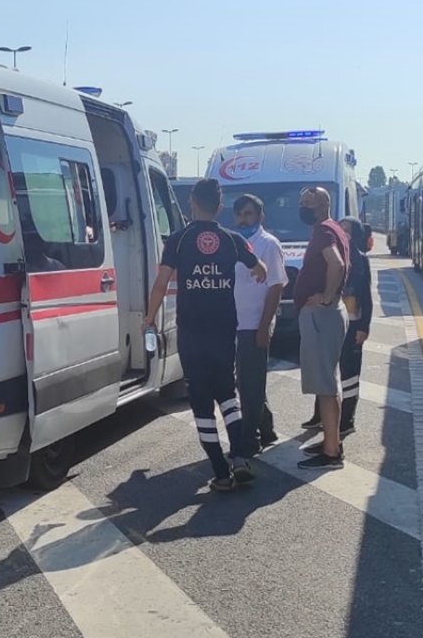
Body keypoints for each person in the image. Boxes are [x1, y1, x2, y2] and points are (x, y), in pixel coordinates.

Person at [144, 178, 267, 491]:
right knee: (228, 393)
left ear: (192, 204)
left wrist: (149, 318)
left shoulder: (178, 240)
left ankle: (220, 473)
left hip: (192, 332)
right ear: (220, 207)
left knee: (200, 400)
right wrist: (255, 275)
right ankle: (239, 457)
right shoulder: (232, 239)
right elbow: (260, 268)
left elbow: (161, 284)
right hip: (225, 329)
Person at [301, 216, 373, 453]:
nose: (343, 234)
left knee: (345, 376)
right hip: (335, 318)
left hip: (348, 322)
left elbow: (366, 296)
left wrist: (364, 326)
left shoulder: (359, 259)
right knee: (327, 375)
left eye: (348, 231)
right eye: (342, 230)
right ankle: (322, 423)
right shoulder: (339, 253)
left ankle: (345, 423)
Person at [291, 187, 350, 470]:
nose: (303, 207)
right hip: (330, 315)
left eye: (308, 203)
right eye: (302, 202)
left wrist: (325, 297)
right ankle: (331, 441)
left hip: (321, 316)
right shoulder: (334, 228)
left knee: (325, 386)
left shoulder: (323, 232)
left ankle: (331, 452)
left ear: (323, 205)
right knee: (330, 381)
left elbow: (336, 265)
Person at [230, 194, 288, 449]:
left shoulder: (268, 244)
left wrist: (264, 327)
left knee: (250, 383)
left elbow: (276, 288)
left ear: (260, 216)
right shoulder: (235, 242)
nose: (244, 219)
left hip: (255, 324)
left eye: (249, 214)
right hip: (235, 323)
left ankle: (250, 439)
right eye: (240, 214)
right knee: (247, 381)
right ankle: (266, 429)